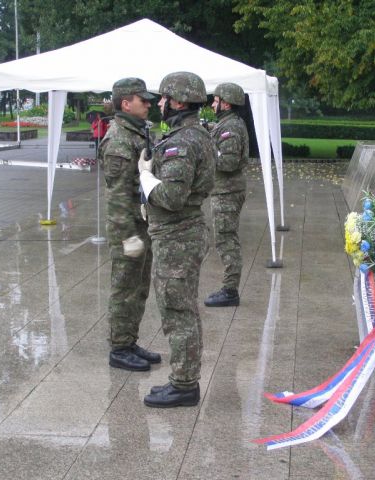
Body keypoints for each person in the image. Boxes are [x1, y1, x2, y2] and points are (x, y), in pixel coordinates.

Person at [139, 72, 215, 408]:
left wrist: (145, 176)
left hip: (177, 237)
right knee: (182, 309)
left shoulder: (182, 142)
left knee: (177, 312)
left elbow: (171, 197)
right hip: (180, 233)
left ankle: (184, 385)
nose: (160, 103)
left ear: (179, 102)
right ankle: (184, 379)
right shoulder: (191, 135)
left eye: (164, 98)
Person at [99, 77, 161, 371]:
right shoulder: (119, 140)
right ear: (126, 103)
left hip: (141, 223)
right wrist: (127, 237)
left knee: (139, 288)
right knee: (125, 289)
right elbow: (118, 196)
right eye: (142, 99)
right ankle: (119, 347)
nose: (148, 104)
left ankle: (129, 340)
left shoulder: (137, 132)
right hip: (129, 229)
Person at [203, 83, 249, 307]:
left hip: (227, 192)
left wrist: (206, 150)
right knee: (225, 238)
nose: (213, 104)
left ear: (227, 103)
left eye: (216, 100)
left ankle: (230, 291)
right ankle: (230, 288)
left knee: (226, 240)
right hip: (225, 190)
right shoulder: (228, 124)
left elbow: (228, 162)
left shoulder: (230, 127)